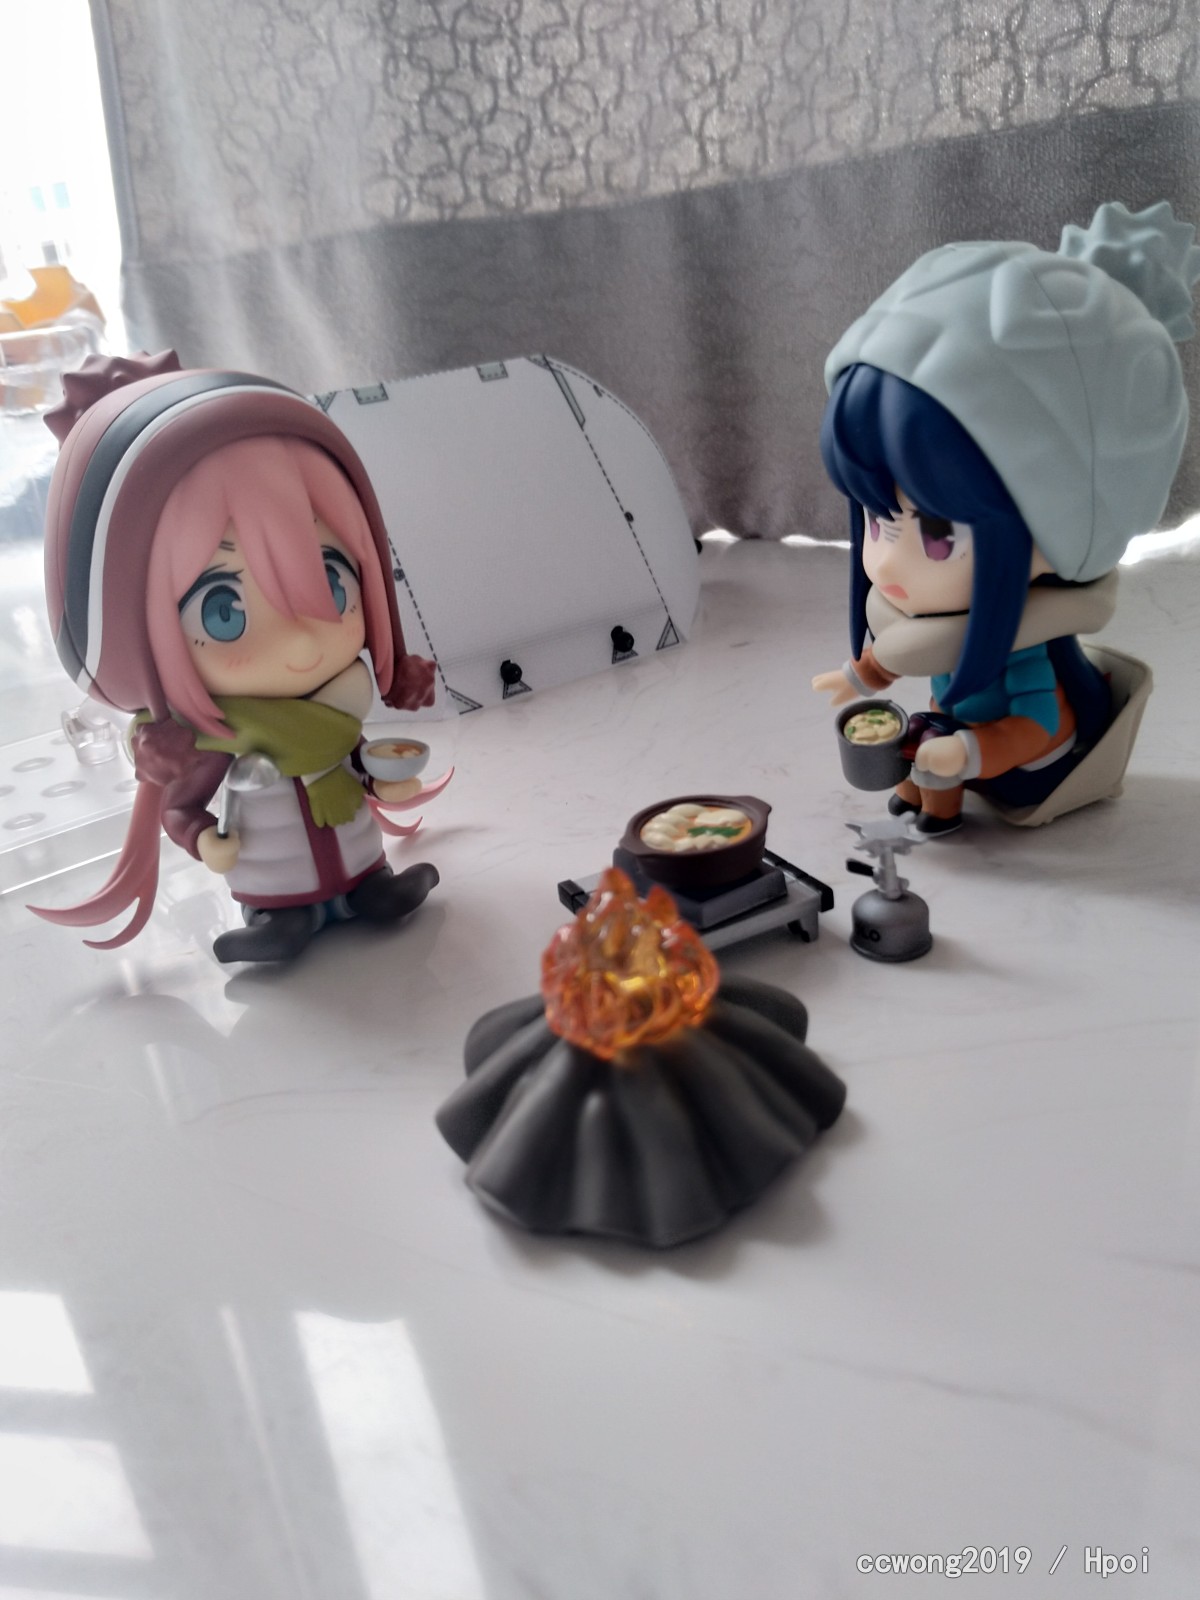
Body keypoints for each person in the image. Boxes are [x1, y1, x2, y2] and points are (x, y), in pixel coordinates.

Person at [32, 351, 448, 960]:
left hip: (358, 856)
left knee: (370, 880)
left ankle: (372, 889)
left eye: (332, 585)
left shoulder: (339, 709)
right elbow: (182, 809)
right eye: (222, 611)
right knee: (283, 912)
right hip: (271, 877)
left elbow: (351, 756)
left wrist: (385, 780)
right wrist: (206, 840)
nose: (302, 642)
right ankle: (277, 920)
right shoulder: (213, 737)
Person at [813, 200, 1198, 833]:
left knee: (934, 753)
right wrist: (857, 678)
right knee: (918, 747)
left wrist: (971, 752)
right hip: (957, 732)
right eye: (878, 522)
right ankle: (927, 799)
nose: (887, 563)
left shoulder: (1024, 647)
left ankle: (941, 798)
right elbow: (900, 654)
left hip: (1026, 764)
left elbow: (1042, 724)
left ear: (1061, 530)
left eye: (939, 534)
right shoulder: (940, 624)